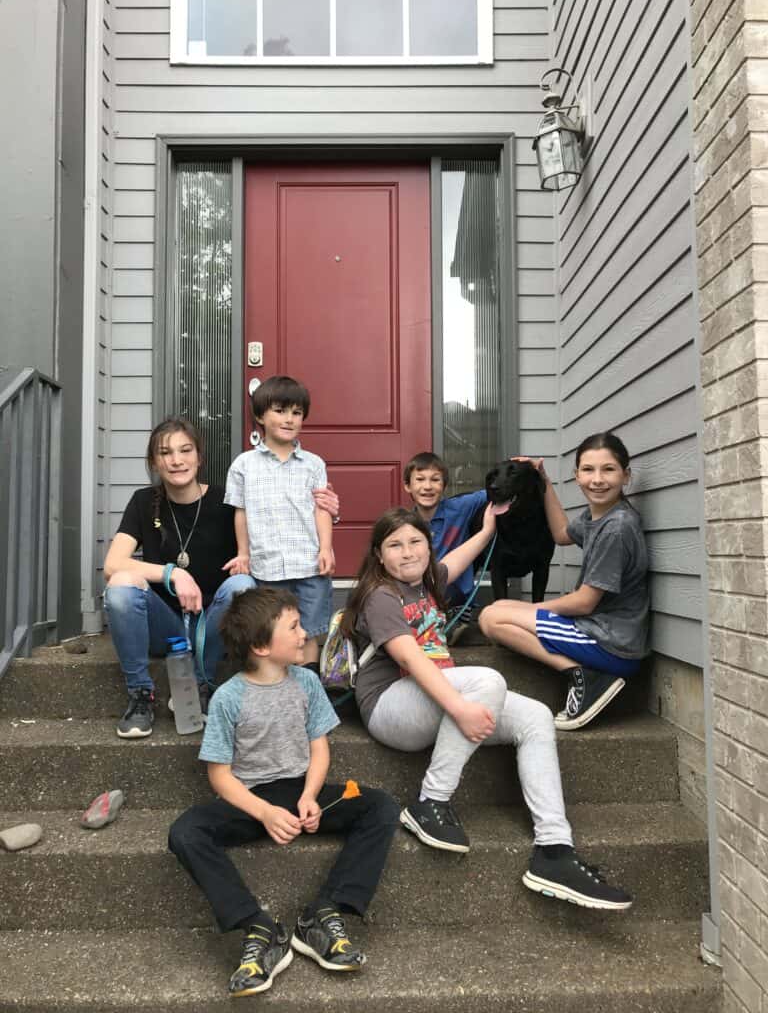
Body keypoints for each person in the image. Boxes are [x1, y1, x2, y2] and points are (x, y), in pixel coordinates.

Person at [341, 506, 632, 911]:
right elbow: (411, 659)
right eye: (394, 545)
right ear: (379, 556)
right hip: (392, 706)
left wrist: (489, 526)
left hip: (435, 699)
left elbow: (459, 556)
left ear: (428, 547)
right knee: (488, 681)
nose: (407, 553)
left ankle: (554, 850)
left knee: (535, 717)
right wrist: (460, 708)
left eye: (415, 542)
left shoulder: (430, 580)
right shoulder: (381, 596)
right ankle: (430, 802)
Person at [168, 587, 400, 998]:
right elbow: (220, 775)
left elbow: (319, 748)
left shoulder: (307, 683)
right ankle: (258, 926)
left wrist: (311, 796)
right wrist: (263, 813)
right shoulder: (228, 698)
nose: (302, 633)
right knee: (186, 831)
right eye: (292, 627)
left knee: (380, 807)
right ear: (260, 645)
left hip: (302, 794)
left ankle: (324, 913)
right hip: (251, 800)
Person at [103, 417, 338, 739]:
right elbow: (113, 563)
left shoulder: (226, 502)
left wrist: (325, 509)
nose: (176, 460)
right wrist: (173, 573)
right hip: (166, 629)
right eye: (165, 453)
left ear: (199, 457)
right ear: (154, 462)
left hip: (217, 627)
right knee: (120, 588)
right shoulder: (145, 502)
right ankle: (141, 695)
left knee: (241, 585)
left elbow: (282, 521)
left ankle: (202, 681)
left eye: (185, 450)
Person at [479, 432, 649, 731]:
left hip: (610, 644)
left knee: (492, 618)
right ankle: (584, 670)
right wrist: (543, 480)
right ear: (576, 476)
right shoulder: (600, 515)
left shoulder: (616, 528)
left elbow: (584, 602)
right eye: (588, 470)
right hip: (605, 634)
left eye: (608, 469)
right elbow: (560, 533)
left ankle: (583, 674)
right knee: (501, 607)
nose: (597, 479)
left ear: (626, 476)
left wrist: (533, 610)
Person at [225, 376, 333, 668]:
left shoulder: (313, 464)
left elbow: (322, 509)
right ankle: (276, 686)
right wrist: (244, 553)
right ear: (260, 415)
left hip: (309, 566)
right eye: (280, 411)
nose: (289, 419)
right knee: (272, 631)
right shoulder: (244, 465)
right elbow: (241, 512)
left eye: (296, 413)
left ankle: (309, 687)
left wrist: (326, 549)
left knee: (307, 632)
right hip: (267, 568)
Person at [403, 451, 487, 640]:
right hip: (421, 594)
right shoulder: (405, 524)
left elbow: (493, 492)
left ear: (444, 486)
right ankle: (431, 620)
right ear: (407, 486)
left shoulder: (460, 507)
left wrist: (526, 468)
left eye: (435, 480)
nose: (427, 486)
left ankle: (454, 617)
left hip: (455, 594)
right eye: (420, 479)